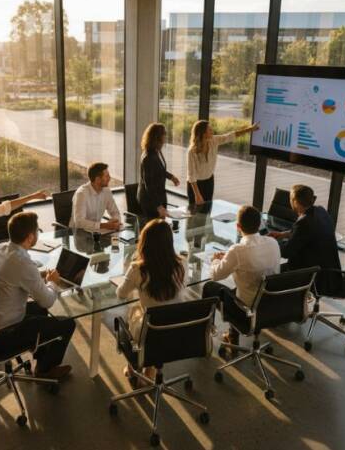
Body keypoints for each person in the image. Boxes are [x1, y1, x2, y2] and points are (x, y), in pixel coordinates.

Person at [0, 212, 76, 380]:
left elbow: (14, 274)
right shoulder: (22, 262)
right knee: (67, 324)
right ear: (30, 237)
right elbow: (48, 301)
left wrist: (39, 275)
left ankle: (41, 357)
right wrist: (52, 282)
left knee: (38, 310)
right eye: (37, 231)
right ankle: (45, 370)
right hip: (5, 332)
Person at [202, 205, 281, 346]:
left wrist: (215, 259)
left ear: (238, 226)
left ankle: (204, 335)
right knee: (241, 287)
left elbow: (215, 275)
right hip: (272, 305)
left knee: (210, 287)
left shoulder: (237, 250)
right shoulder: (273, 243)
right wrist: (229, 258)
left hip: (246, 310)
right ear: (259, 224)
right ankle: (232, 335)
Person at [116, 218, 186, 378]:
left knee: (134, 307)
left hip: (149, 330)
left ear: (144, 243)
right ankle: (150, 370)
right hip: (177, 327)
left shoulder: (137, 269)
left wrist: (128, 278)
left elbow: (120, 294)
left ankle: (134, 368)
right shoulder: (182, 265)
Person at [268, 184, 341, 290]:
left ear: (295, 202)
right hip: (329, 269)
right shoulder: (320, 211)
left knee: (269, 276)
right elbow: (307, 232)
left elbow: (286, 252)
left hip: (315, 276)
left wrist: (270, 243)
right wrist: (283, 234)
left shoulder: (304, 222)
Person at [187, 120, 258, 205]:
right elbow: (191, 175)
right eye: (209, 129)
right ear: (203, 133)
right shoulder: (192, 151)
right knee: (194, 213)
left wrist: (250, 129)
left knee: (207, 211)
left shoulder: (214, 140)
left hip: (209, 182)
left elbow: (230, 136)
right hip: (195, 185)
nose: (212, 131)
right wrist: (197, 195)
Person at [137, 123, 180, 219]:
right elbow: (149, 185)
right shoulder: (148, 157)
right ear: (158, 137)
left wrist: (171, 177)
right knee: (155, 227)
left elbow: (160, 169)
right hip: (150, 200)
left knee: (161, 225)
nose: (166, 136)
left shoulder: (157, 151)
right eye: (164, 134)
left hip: (159, 195)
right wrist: (158, 206)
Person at [70, 162, 122, 232]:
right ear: (97, 179)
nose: (109, 178)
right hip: (79, 233)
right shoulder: (81, 194)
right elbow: (79, 222)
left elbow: (115, 212)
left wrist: (115, 221)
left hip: (97, 232)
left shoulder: (106, 191)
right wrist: (104, 225)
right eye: (106, 176)